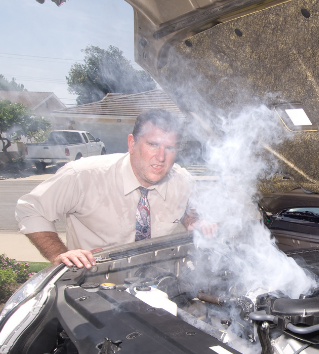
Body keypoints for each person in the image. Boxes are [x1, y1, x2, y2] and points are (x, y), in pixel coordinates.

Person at [16, 109, 215, 268]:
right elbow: (30, 209)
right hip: (94, 283)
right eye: (153, 144)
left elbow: (189, 213)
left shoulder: (182, 181)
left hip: (157, 282)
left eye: (170, 148)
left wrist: (194, 221)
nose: (161, 157)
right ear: (132, 143)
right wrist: (59, 254)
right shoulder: (83, 175)